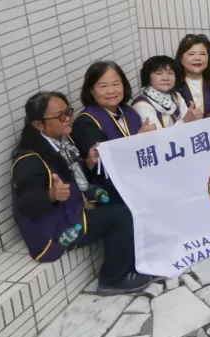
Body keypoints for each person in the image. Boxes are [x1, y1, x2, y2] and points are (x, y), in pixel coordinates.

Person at [13, 92, 153, 294]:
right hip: (58, 227)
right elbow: (25, 204)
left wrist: (89, 162)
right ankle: (112, 279)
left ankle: (138, 261)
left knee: (127, 198)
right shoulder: (28, 160)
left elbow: (78, 178)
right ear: (39, 125)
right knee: (121, 215)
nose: (68, 118)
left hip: (76, 206)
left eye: (68, 112)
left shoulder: (64, 140)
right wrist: (50, 195)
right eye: (60, 115)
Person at [72, 61, 156, 201]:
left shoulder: (129, 111)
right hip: (111, 192)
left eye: (116, 84)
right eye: (103, 86)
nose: (111, 91)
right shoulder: (86, 122)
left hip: (142, 180)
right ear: (91, 90)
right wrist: (139, 139)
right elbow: (105, 164)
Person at [131, 55, 200, 128]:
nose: (165, 78)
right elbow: (157, 134)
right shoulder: (142, 104)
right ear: (148, 77)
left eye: (170, 73)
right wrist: (185, 121)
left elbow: (190, 125)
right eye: (159, 73)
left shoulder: (176, 96)